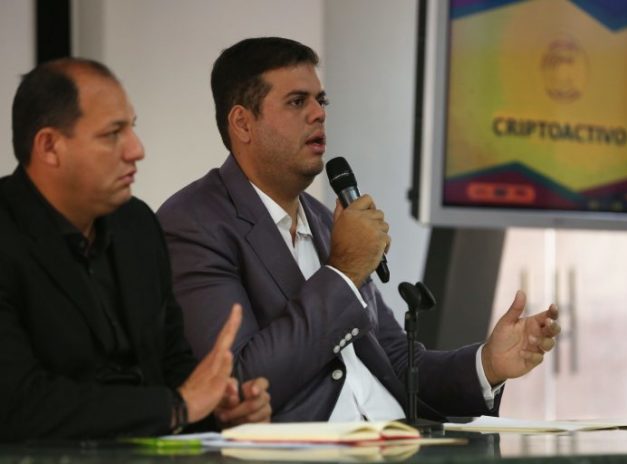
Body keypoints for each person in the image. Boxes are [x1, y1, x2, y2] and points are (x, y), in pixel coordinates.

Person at [157, 37, 560, 422]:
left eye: (320, 100)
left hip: (396, 442)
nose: (318, 114)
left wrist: (487, 364)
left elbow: (395, 360)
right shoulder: (195, 222)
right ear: (243, 124)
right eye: (297, 101)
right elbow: (237, 381)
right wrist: (344, 271)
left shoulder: (324, 220)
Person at [0, 58, 271, 442]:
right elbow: (18, 404)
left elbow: (170, 362)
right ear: (50, 146)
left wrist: (218, 409)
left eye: (133, 127)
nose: (136, 149)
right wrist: (176, 407)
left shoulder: (136, 224)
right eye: (113, 133)